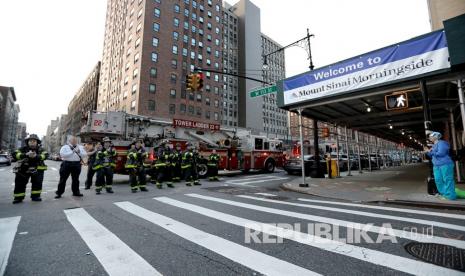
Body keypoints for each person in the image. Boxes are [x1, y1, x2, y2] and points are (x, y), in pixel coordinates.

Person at [12, 134, 48, 204]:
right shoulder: (22, 149)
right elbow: (15, 154)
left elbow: (46, 155)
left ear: (37, 142)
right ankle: (18, 197)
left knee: (37, 183)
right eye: (30, 141)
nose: (32, 142)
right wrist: (25, 155)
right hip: (23, 169)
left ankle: (36, 196)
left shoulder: (41, 149)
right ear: (27, 142)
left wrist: (36, 156)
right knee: (20, 183)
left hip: (37, 169)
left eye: (34, 141)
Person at [424, 131, 457, 200]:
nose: (429, 137)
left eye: (431, 136)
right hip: (436, 165)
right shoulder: (434, 146)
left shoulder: (442, 143)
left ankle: (451, 196)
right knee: (438, 180)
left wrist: (430, 151)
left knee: (447, 179)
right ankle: (444, 194)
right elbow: (431, 155)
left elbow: (441, 153)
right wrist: (427, 152)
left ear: (435, 137)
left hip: (445, 164)